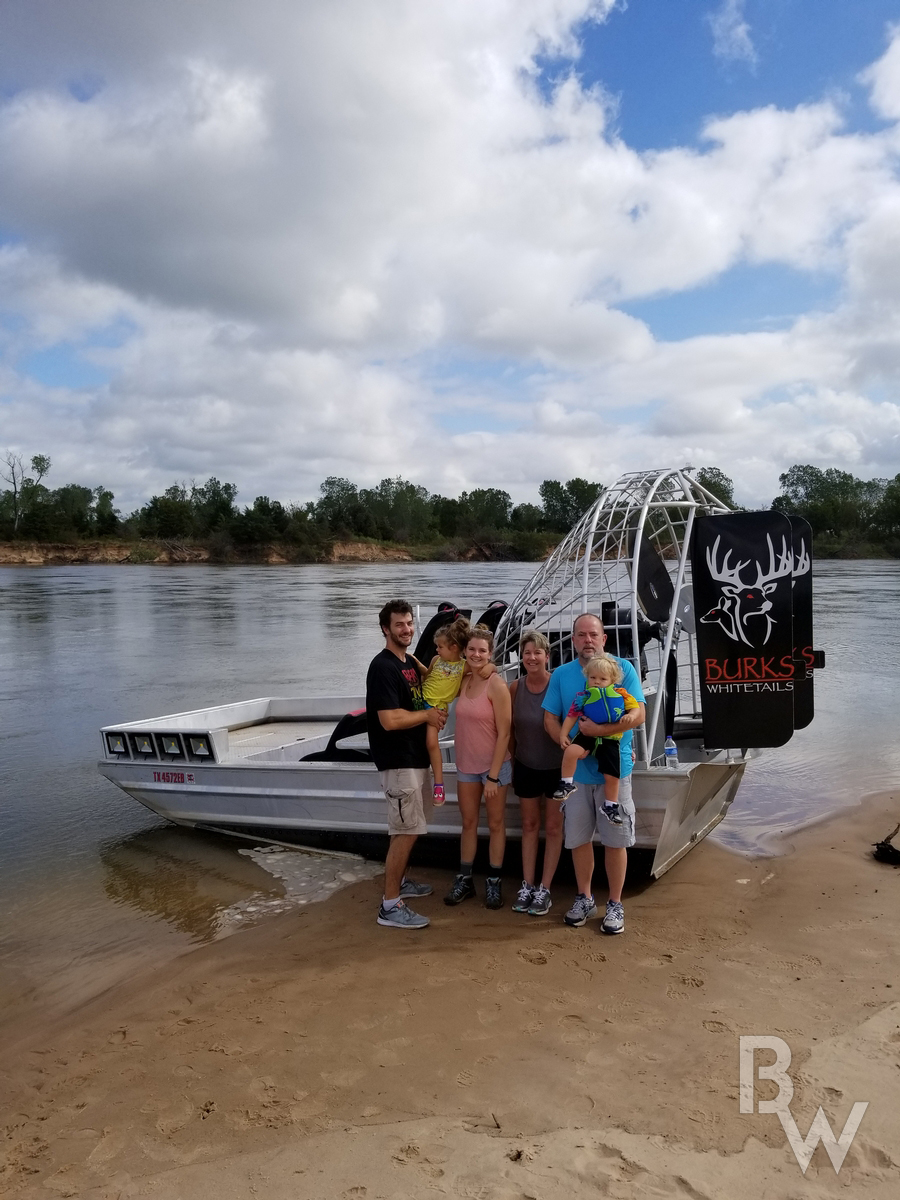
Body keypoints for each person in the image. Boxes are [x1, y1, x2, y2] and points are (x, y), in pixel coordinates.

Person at [542, 613, 645, 935]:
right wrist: (563, 737)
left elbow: (638, 713)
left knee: (615, 840)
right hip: (579, 776)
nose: (588, 640)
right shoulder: (561, 675)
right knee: (578, 839)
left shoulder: (622, 669)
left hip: (614, 772)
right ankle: (584, 897)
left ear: (604, 639)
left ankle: (615, 903)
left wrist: (601, 730)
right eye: (581, 635)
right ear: (573, 640)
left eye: (593, 634)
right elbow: (551, 716)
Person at [366, 599, 447, 930]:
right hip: (398, 762)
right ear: (385, 629)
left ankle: (399, 883)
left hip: (415, 760)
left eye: (410, 623)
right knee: (404, 831)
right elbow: (388, 719)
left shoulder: (408, 662)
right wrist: (427, 715)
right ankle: (389, 905)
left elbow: (437, 680)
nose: (407, 629)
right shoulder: (383, 667)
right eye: (399, 624)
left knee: (411, 827)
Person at [444, 625, 512, 910]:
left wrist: (494, 777)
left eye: (482, 651)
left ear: (490, 652)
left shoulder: (497, 684)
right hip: (466, 765)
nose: (476, 654)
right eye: (471, 649)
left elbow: (505, 733)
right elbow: (438, 664)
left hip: (494, 767)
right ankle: (465, 878)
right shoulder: (462, 678)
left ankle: (494, 881)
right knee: (468, 823)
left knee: (495, 824)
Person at [508, 630, 564, 917]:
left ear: (547, 656)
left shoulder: (558, 684)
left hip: (556, 768)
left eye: (537, 653)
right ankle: (527, 884)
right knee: (529, 826)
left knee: (553, 828)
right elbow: (508, 731)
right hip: (526, 765)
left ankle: (545, 888)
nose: (531, 657)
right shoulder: (514, 688)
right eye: (527, 653)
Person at [553, 653, 640, 826]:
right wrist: (563, 734)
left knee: (612, 775)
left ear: (612, 679)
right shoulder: (583, 695)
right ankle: (567, 783)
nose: (597, 682)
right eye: (593, 677)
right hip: (586, 735)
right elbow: (571, 715)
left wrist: (631, 716)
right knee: (571, 751)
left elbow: (635, 708)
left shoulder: (621, 693)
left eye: (602, 678)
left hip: (610, 739)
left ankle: (610, 805)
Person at [413, 615, 471, 805]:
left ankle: (439, 784)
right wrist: (412, 661)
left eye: (440, 646)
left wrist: (491, 670)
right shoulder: (437, 659)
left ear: (454, 647)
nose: (436, 650)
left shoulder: (464, 666)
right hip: (421, 700)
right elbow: (427, 677)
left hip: (436, 707)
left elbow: (484, 666)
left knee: (431, 743)